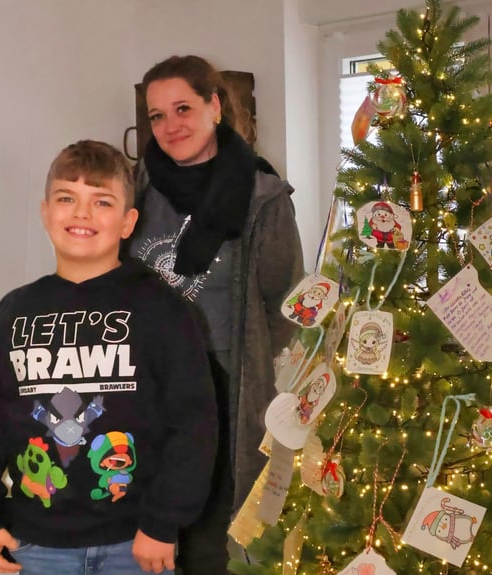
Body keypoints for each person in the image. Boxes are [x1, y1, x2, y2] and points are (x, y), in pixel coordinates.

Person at [0, 140, 218, 575]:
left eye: (101, 201)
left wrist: (164, 522)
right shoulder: (12, 314)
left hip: (136, 544)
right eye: (66, 199)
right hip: (36, 544)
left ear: (128, 221)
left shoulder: (164, 312)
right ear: (46, 213)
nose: (81, 213)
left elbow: (194, 425)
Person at [125, 54, 305, 573]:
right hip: (144, 389)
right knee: (138, 536)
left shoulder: (262, 196)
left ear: (215, 106)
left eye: (182, 108)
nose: (169, 125)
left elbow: (285, 308)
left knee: (210, 546)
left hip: (227, 394)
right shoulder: (134, 187)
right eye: (156, 115)